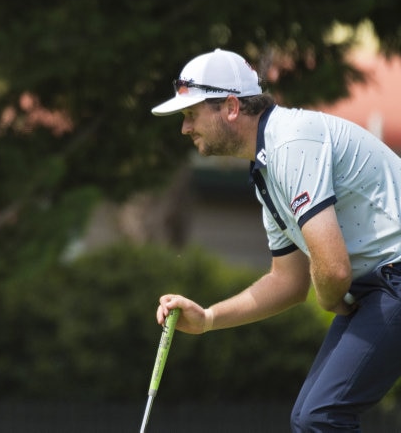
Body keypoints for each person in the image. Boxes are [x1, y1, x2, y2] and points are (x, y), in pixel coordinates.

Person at [151, 48, 401, 431]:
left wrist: (332, 298)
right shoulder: (267, 167)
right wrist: (208, 318)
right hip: (378, 287)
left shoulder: (289, 145)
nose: (185, 128)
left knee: (321, 416)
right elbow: (288, 281)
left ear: (231, 106)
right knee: (308, 416)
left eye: (191, 115)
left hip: (392, 277)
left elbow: (333, 271)